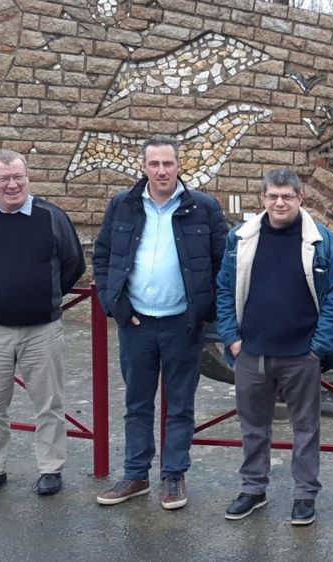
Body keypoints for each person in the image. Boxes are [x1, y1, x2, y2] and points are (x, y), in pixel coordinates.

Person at [92, 135, 228, 510]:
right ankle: (136, 475)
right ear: (144, 167)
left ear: (179, 166)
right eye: (154, 164)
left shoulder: (203, 207)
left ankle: (173, 476)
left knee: (180, 404)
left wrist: (204, 309)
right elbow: (102, 255)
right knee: (137, 403)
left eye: (168, 163)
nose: (161, 170)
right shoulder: (123, 205)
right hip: (135, 323)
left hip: (182, 325)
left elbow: (223, 263)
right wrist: (112, 303)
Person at [216, 168, 333, 526]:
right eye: (273, 195)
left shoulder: (323, 241)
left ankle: (305, 495)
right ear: (263, 198)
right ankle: (253, 489)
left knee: (306, 429)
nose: (279, 202)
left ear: (301, 198)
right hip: (251, 351)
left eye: (287, 195)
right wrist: (232, 339)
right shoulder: (240, 238)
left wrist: (319, 348)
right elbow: (225, 290)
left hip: (302, 354)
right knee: (252, 426)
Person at [0, 149, 84, 497]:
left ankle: (50, 469)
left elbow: (74, 264)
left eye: (18, 177)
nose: (12, 185)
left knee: (49, 405)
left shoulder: (51, 217)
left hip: (42, 330)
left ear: (27, 177)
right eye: (4, 178)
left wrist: (45, 296)